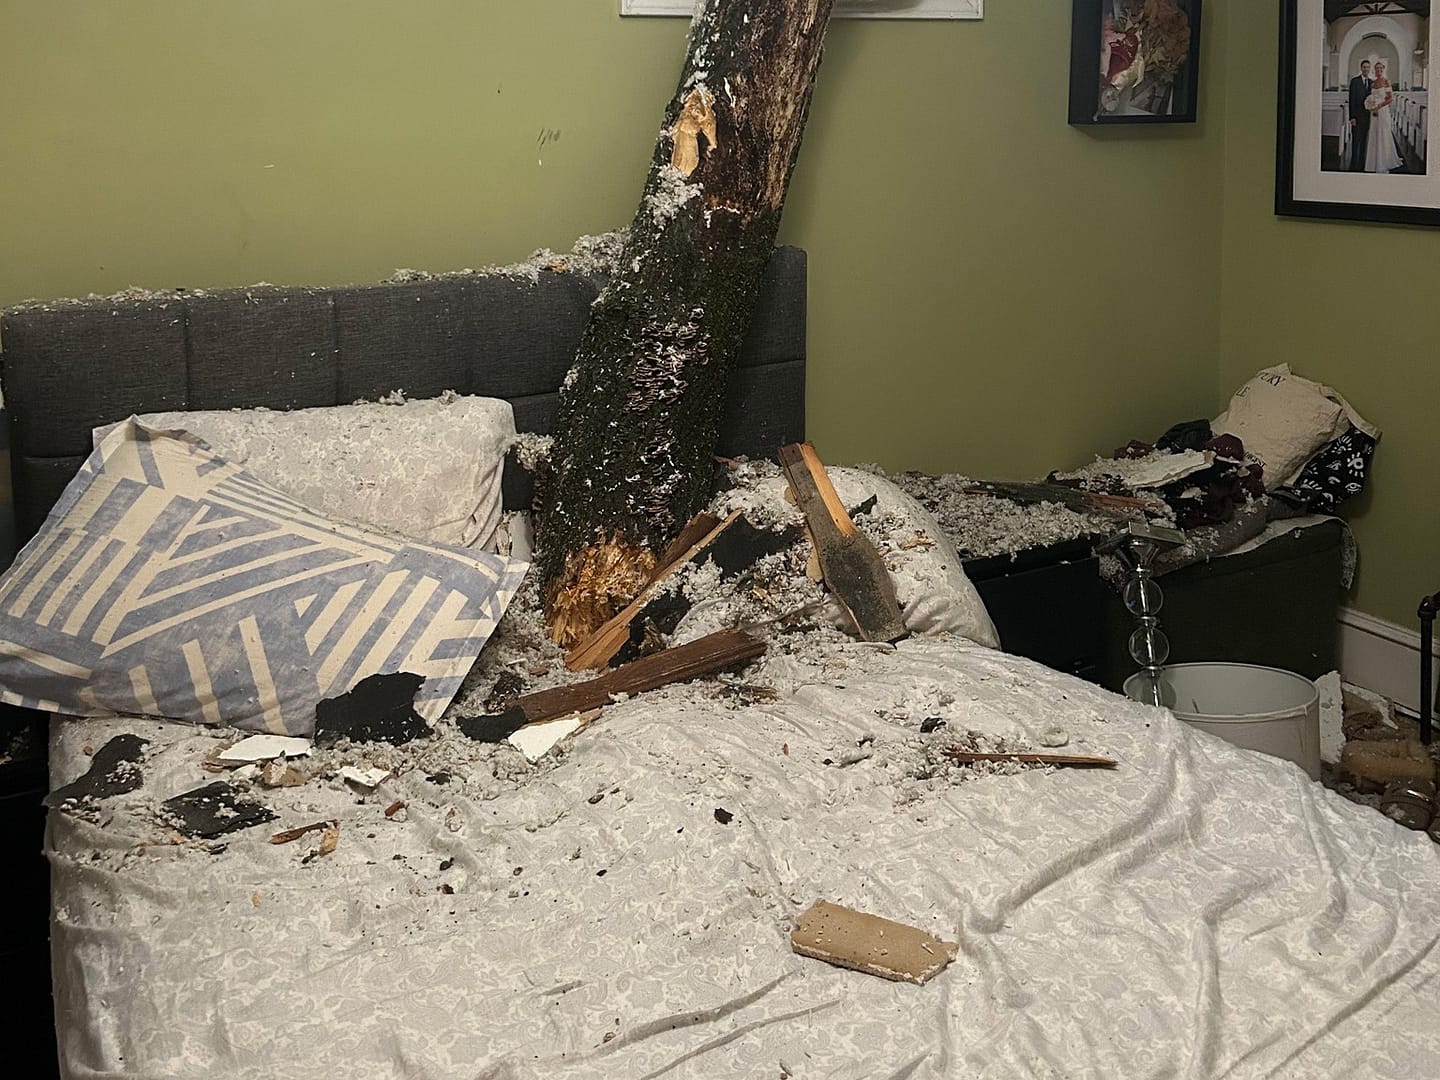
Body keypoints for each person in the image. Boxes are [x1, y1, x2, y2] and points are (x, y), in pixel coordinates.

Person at [1365, 60, 1404, 174]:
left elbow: (1390, 98)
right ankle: (1373, 162)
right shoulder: (1372, 83)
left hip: (1383, 111)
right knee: (1374, 133)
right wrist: (1371, 105)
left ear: (1383, 69)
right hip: (1373, 113)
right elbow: (1371, 97)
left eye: (1381, 68)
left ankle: (1384, 161)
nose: (1379, 70)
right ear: (1374, 70)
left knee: (1383, 134)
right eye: (1377, 68)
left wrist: (1379, 106)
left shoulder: (1386, 81)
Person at [1348, 60, 1373, 172]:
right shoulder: (1355, 81)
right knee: (1355, 140)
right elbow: (1351, 100)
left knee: (1364, 141)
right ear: (1361, 68)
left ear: (1369, 69)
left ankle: (1362, 164)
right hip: (1357, 117)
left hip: (1367, 117)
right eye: (1364, 67)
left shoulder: (1371, 82)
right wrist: (1352, 117)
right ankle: (1353, 164)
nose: (1366, 69)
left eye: (1368, 67)